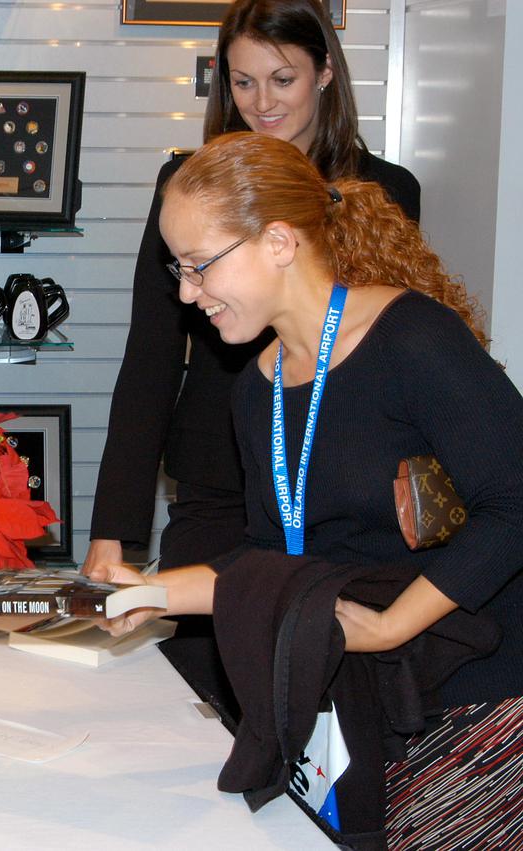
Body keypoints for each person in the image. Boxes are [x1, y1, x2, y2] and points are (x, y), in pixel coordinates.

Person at [92, 132, 523, 847]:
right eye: (178, 269)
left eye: (200, 267)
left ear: (280, 242)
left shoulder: (412, 338)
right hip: (364, 700)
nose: (186, 293)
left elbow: (514, 503)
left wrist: (389, 625)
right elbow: (270, 561)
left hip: (473, 702)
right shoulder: (258, 384)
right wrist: (146, 595)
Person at [86, 0, 420, 573]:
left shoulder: (382, 191)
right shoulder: (186, 187)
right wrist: (113, 530)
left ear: (325, 72)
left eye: (282, 79)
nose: (262, 103)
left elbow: (393, 351)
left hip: (339, 483)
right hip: (219, 476)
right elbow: (151, 353)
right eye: (243, 82)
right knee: (193, 656)